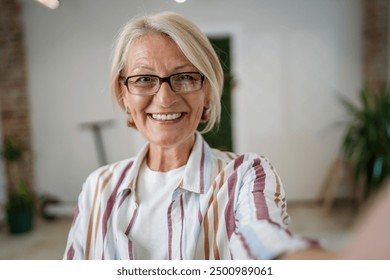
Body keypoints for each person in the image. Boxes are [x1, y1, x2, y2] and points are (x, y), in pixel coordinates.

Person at [63, 11, 389, 260]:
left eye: (185, 77)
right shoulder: (97, 187)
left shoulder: (246, 175)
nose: (164, 99)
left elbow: (265, 241)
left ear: (208, 92)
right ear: (124, 94)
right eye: (144, 79)